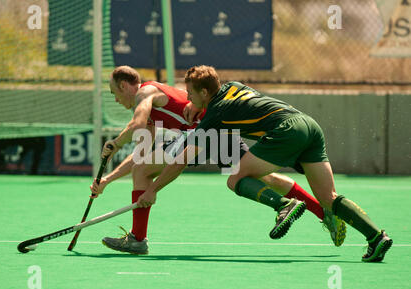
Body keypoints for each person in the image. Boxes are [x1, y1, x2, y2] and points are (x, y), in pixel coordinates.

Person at [136, 65, 392, 262]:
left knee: (234, 178)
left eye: (190, 94)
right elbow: (236, 107)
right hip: (309, 125)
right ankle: (376, 237)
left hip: (285, 131)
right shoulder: (231, 87)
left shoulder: (216, 113)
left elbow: (181, 160)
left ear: (204, 92)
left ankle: (283, 205)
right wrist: (198, 108)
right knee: (328, 197)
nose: (187, 98)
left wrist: (153, 189)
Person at [91, 65, 346, 255]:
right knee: (262, 177)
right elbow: (143, 154)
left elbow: (135, 125)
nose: (116, 99)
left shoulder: (143, 94)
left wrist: (114, 144)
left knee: (143, 173)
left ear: (125, 86)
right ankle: (323, 213)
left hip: (204, 131)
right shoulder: (150, 105)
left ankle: (138, 238)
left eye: (115, 93)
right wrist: (108, 180)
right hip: (217, 131)